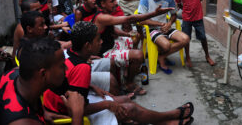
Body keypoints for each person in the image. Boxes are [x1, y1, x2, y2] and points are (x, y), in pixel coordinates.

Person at [43, 21, 194, 125]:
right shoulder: (82, 68)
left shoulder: (71, 54)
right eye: (98, 40)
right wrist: (107, 104)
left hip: (63, 104)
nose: (101, 42)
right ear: (88, 46)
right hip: (64, 113)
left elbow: (72, 86)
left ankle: (166, 120)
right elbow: (78, 108)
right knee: (129, 108)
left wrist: (92, 87)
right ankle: (171, 116)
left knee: (124, 101)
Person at [0, 38, 84, 125]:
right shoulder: (23, 122)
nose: (66, 69)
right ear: (43, 74)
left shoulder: (13, 73)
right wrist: (77, 115)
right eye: (62, 65)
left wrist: (42, 112)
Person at [92, 0, 174, 94]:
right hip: (104, 53)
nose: (116, 3)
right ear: (102, 4)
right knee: (139, 55)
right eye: (112, 1)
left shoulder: (105, 13)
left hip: (111, 44)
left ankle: (129, 68)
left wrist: (127, 34)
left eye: (115, 0)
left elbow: (112, 29)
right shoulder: (102, 17)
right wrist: (153, 13)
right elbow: (129, 19)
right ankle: (128, 84)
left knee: (135, 38)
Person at [138, 0, 190, 74]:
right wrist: (161, 24)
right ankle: (162, 58)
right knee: (166, 45)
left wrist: (169, 24)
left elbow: (174, 14)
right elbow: (141, 20)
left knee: (185, 39)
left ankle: (161, 56)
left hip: (165, 26)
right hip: (150, 29)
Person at [173, 0, 215, 67]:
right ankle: (187, 57)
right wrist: (187, 10)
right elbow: (179, 5)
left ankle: (207, 56)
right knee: (186, 39)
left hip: (198, 17)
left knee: (203, 37)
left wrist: (195, 7)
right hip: (186, 19)